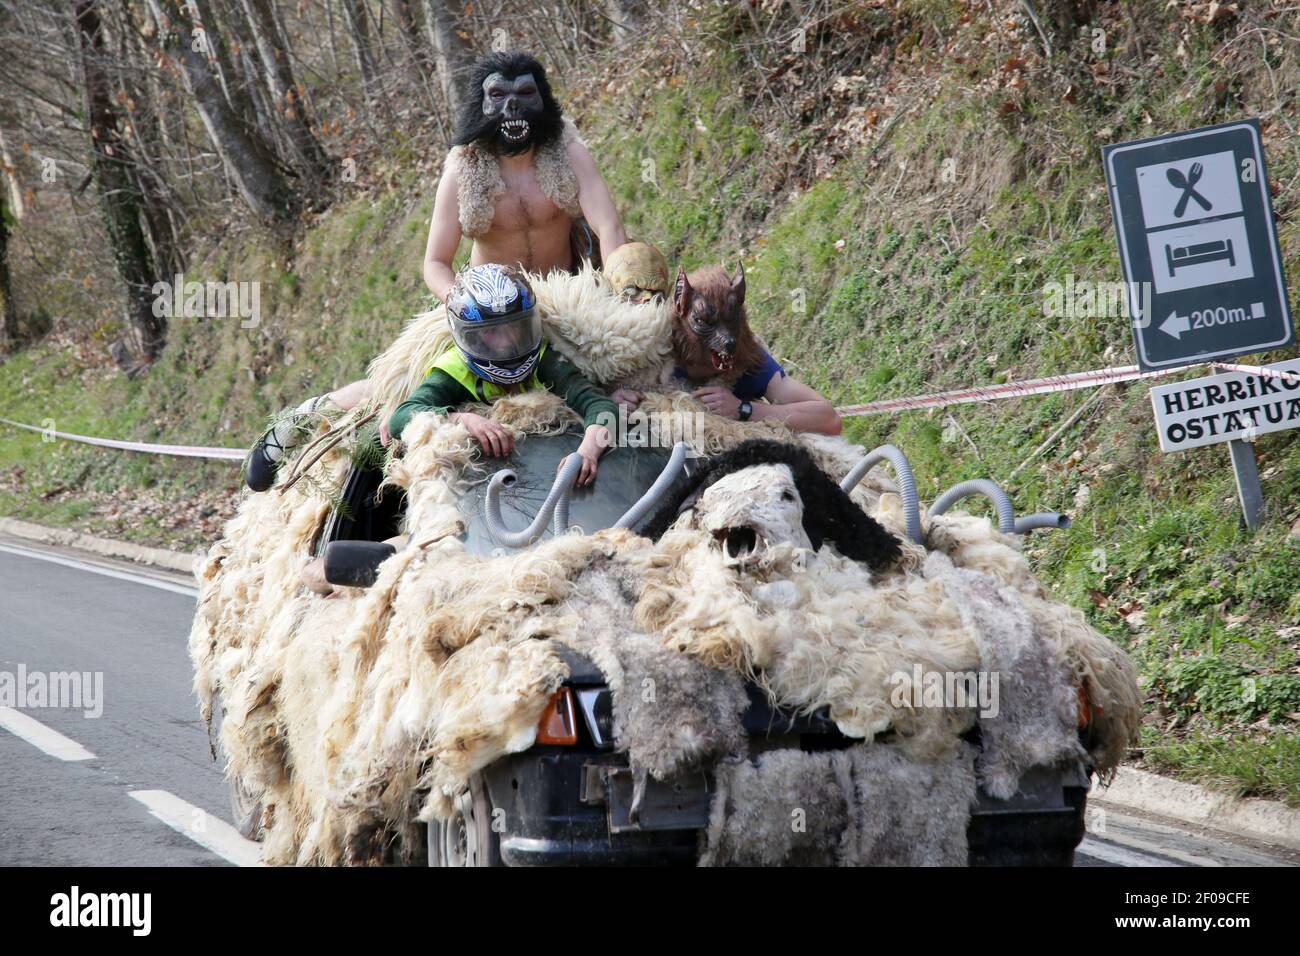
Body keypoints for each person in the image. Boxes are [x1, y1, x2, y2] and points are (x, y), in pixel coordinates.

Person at [244, 49, 628, 491]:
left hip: (565, 306)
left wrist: (618, 297)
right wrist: (466, 307)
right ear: (480, 106)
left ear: (542, 99)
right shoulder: (465, 169)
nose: (512, 106)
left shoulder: (570, 156)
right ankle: (304, 418)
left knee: (627, 370)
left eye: (525, 93)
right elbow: (434, 262)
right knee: (401, 387)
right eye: (499, 95)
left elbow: (609, 227)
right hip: (483, 316)